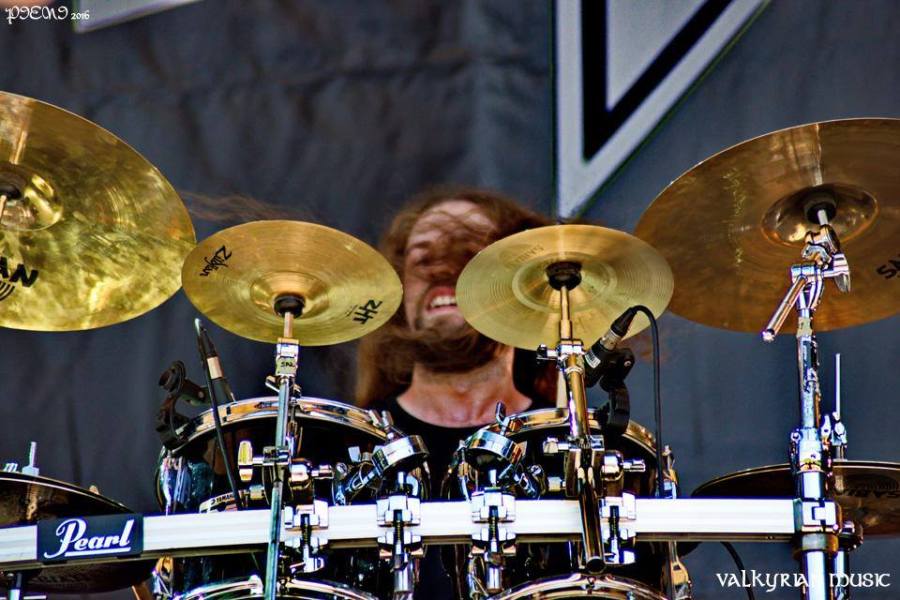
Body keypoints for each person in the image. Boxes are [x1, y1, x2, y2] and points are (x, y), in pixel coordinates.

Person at [355, 186, 557, 598]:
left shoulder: (569, 451)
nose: (444, 271)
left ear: (522, 287)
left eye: (468, 254)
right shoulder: (350, 451)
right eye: (424, 258)